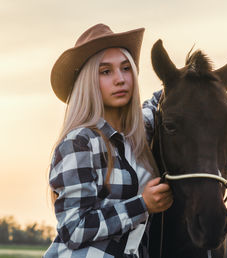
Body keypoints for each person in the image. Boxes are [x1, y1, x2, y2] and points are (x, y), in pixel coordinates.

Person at [44, 23, 173, 258]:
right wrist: (142, 205)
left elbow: (163, 98)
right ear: (87, 81)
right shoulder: (80, 142)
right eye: (106, 71)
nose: (120, 79)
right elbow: (73, 228)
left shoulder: (139, 133)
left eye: (126, 69)